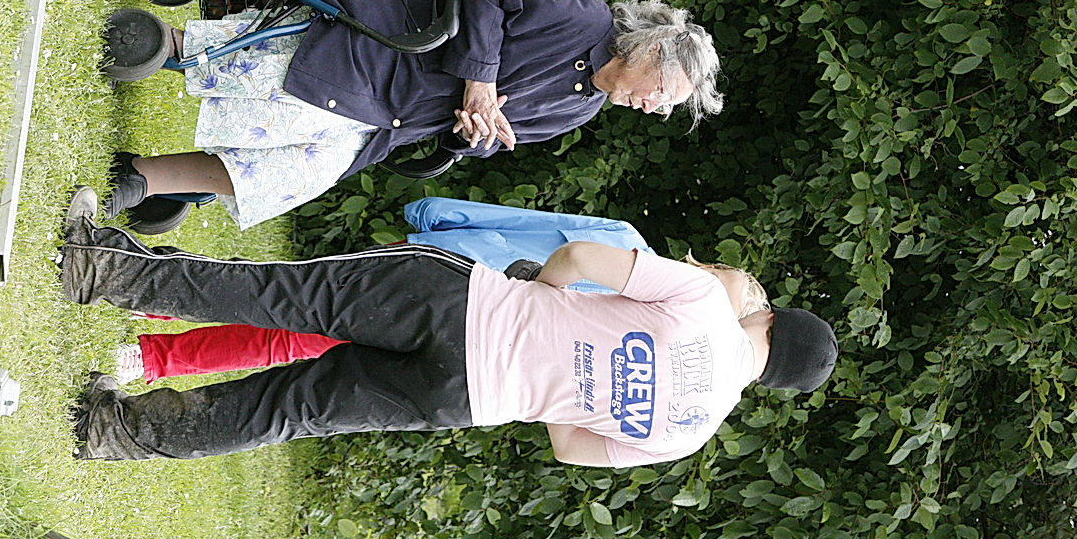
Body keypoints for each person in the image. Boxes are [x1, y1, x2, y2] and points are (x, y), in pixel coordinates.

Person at [63, 188, 837, 467]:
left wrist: (546, 293)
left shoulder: (707, 304)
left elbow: (584, 254)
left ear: (767, 319)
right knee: (288, 411)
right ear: (771, 383)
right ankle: (112, 431)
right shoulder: (688, 433)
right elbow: (570, 446)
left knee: (279, 295)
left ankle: (103, 270)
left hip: (462, 306)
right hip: (465, 398)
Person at [104, 0, 724, 229]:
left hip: (398, 112)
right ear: (651, 51)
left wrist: (469, 133)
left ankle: (141, 178)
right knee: (298, 96)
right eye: (664, 94)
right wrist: (479, 82)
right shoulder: (578, 12)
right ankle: (162, 46)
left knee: (303, 171)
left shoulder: (580, 110)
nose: (655, 109)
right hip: (392, 33)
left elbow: (481, 137)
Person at [112, 197, 661, 384]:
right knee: (283, 293)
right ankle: (152, 296)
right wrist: (438, 219)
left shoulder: (650, 340)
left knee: (296, 340)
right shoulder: (625, 244)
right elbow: (520, 222)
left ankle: (152, 353)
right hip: (436, 272)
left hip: (464, 342)